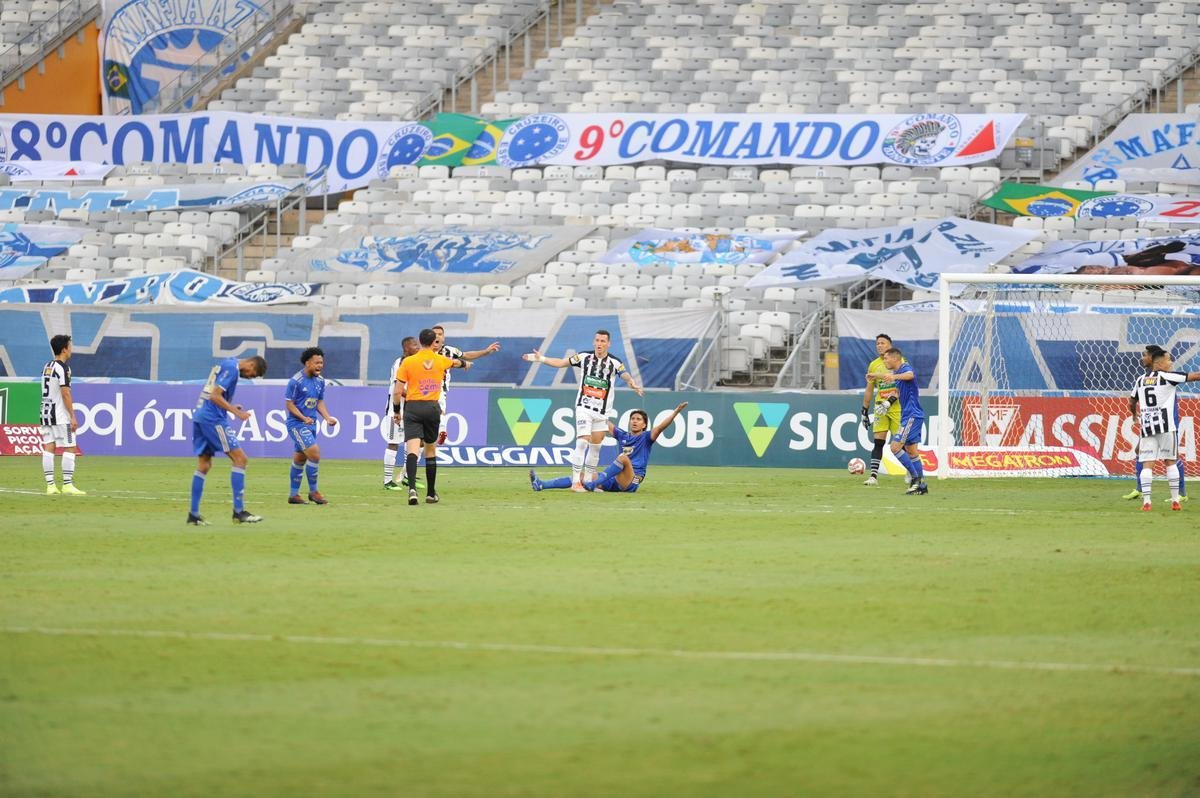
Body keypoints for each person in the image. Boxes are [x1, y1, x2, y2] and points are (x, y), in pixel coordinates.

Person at [523, 329, 644, 490]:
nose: (599, 344)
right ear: (594, 342)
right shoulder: (583, 357)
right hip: (584, 407)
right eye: (597, 340)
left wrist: (632, 383)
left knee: (596, 447)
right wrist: (541, 358)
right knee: (582, 442)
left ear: (609, 343)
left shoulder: (614, 363)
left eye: (603, 341)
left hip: (601, 413)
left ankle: (588, 482)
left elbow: (625, 374)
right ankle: (575, 483)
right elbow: (561, 362)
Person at [530, 402, 687, 493]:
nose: (635, 421)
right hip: (614, 479)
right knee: (584, 476)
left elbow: (660, 428)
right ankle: (542, 484)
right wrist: (590, 409)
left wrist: (675, 413)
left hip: (631, 481)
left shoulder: (646, 438)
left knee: (623, 458)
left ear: (644, 424)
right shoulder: (624, 435)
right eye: (633, 418)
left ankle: (592, 485)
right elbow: (604, 422)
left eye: (639, 419)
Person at [188, 354, 268, 525]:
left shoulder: (228, 362)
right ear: (252, 364)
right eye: (252, 374)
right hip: (212, 419)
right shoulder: (232, 369)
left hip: (201, 415)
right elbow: (215, 396)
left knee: (204, 464)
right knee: (240, 459)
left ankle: (193, 515)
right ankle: (239, 513)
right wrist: (235, 412)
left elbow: (214, 392)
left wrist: (230, 406)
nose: (249, 377)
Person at [394, 328, 470, 506]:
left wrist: (397, 411)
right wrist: (466, 364)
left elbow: (398, 391)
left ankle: (412, 489)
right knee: (430, 450)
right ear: (433, 341)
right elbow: (456, 363)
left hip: (413, 408)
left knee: (412, 449)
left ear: (420, 342)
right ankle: (430, 493)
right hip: (432, 408)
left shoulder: (408, 362)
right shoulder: (440, 359)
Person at [1128, 349, 1200, 511]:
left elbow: (1131, 402)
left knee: (1147, 464)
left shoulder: (1140, 380)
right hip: (1167, 426)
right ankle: (1176, 501)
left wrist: (1134, 415)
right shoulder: (1168, 377)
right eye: (1168, 360)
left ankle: (1146, 502)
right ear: (1159, 363)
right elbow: (1195, 376)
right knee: (1170, 462)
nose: (1171, 363)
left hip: (1147, 427)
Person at [868, 347, 928, 495]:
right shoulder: (896, 373)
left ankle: (915, 479)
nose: (885, 361)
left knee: (895, 447)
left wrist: (894, 377)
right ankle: (921, 485)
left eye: (887, 358)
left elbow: (910, 375)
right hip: (910, 415)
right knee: (912, 451)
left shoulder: (904, 368)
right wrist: (887, 402)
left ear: (895, 358)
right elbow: (897, 390)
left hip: (911, 415)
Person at [285, 347, 338, 505]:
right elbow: (289, 404)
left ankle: (294, 495)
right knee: (314, 453)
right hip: (297, 424)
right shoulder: (296, 381)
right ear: (307, 363)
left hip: (312, 424)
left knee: (300, 458)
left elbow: (319, 402)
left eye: (321, 362)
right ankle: (314, 492)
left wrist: (327, 418)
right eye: (316, 362)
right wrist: (303, 417)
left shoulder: (320, 381)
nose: (320, 365)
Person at [432, 324, 500, 445]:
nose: (437, 336)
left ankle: (440, 431)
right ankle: (441, 429)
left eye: (440, 334)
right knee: (436, 412)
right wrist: (462, 364)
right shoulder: (424, 352)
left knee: (437, 412)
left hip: (440, 388)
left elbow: (467, 355)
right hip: (425, 388)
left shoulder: (449, 351)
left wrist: (485, 351)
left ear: (444, 338)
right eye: (434, 334)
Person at [39, 334, 85, 496]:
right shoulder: (63, 368)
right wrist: (72, 416)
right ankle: (67, 484)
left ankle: (50, 486)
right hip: (60, 415)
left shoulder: (47, 366)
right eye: (70, 346)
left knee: (49, 446)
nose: (71, 349)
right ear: (64, 349)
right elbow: (65, 393)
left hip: (45, 413)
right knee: (70, 446)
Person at [860, 333, 904, 486]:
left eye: (882, 343)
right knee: (878, 441)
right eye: (877, 343)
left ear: (890, 345)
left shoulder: (899, 362)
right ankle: (873, 476)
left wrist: (890, 401)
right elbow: (869, 389)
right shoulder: (874, 365)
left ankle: (910, 472)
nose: (879, 345)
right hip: (880, 408)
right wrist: (864, 411)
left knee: (901, 443)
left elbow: (902, 386)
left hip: (897, 407)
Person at [382, 335, 421, 490]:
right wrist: (416, 395)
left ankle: (406, 476)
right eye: (414, 345)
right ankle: (387, 481)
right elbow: (397, 389)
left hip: (411, 410)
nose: (417, 347)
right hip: (395, 410)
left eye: (418, 344)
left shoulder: (413, 363)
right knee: (393, 443)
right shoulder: (401, 363)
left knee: (415, 442)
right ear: (406, 348)